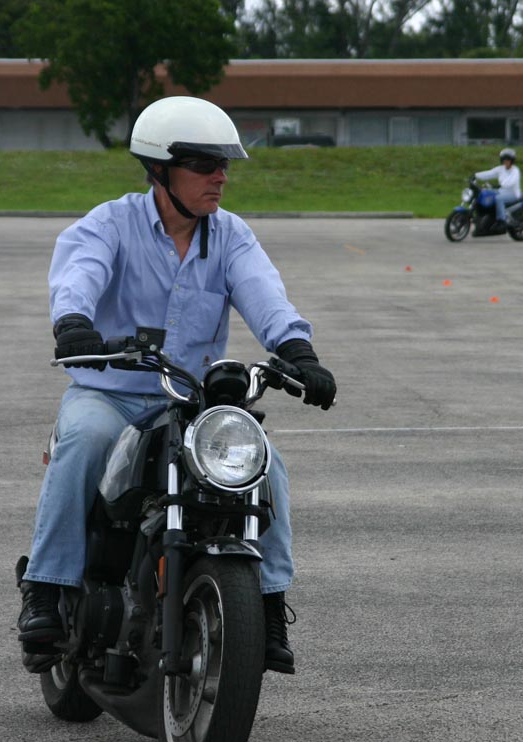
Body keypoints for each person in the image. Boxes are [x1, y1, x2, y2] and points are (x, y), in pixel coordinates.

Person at [17, 96, 336, 675]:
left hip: (190, 401)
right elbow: (79, 274)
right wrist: (73, 323)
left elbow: (265, 294)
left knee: (265, 466)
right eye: (204, 164)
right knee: (84, 442)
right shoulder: (111, 223)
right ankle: (46, 587)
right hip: (110, 392)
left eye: (224, 165)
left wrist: (298, 351)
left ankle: (267, 602)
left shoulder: (230, 236)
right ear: (160, 169)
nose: (220, 177)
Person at [474, 147, 522, 231]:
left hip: (513, 193)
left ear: (512, 161)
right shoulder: (500, 169)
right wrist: (475, 175)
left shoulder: (515, 170)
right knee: (486, 193)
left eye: (508, 160)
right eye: (504, 160)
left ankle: (501, 221)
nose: (506, 162)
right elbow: (489, 173)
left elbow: (512, 181)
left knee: (498, 198)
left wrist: (501, 184)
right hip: (502, 191)